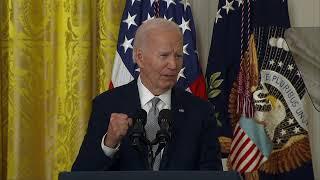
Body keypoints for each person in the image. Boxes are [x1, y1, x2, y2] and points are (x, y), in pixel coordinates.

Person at [72, 18, 222, 171]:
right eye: (164, 55)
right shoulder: (107, 105)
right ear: (140, 58)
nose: (173, 65)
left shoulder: (200, 111)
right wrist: (109, 143)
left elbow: (212, 173)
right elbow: (81, 173)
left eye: (178, 56)